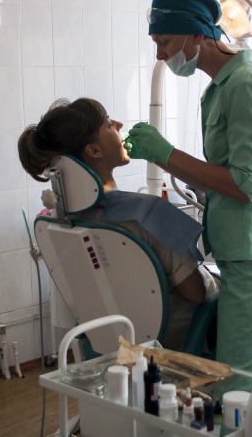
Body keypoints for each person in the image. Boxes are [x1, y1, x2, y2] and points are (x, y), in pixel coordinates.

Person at [125, 0, 252, 436]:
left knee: (236, 386)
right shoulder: (221, 86)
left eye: (165, 42)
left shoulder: (247, 85)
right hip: (246, 249)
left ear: (196, 36)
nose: (160, 54)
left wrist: (167, 155)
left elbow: (246, 184)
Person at [17, 97, 217, 352]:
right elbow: (196, 293)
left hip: (113, 344)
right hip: (171, 345)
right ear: (94, 151)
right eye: (109, 124)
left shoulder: (57, 220)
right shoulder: (149, 214)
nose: (120, 124)